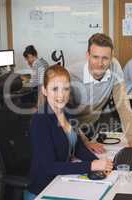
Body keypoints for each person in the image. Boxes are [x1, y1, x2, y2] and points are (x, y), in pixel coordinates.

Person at [25, 65, 113, 199]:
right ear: (44, 90)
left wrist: (100, 164)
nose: (61, 95)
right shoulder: (40, 120)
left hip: (60, 182)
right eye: (55, 89)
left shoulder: (67, 113)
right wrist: (91, 166)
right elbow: (48, 166)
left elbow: (78, 148)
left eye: (65, 89)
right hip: (43, 190)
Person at [68, 33, 132, 154]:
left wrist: (131, 137)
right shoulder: (71, 75)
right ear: (87, 55)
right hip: (71, 130)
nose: (100, 63)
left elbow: (122, 103)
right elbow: (66, 114)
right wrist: (84, 141)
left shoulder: (115, 66)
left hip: (92, 126)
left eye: (105, 58)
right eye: (95, 57)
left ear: (111, 57)